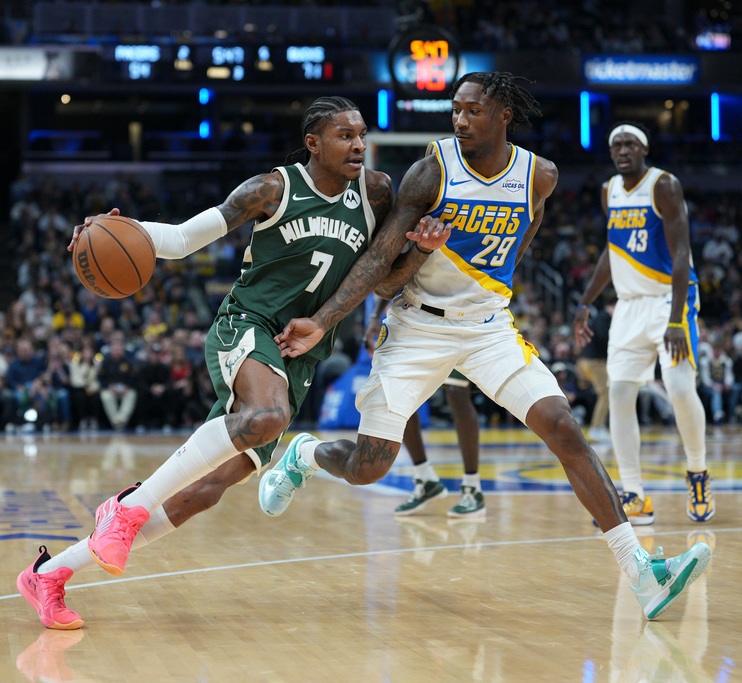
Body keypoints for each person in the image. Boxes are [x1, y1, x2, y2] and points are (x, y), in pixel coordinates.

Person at [268, 73, 710, 620]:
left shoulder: (538, 177)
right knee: (368, 467)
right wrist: (325, 316)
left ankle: (643, 574)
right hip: (417, 328)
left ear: (504, 116)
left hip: (486, 328)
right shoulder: (430, 172)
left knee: (563, 426)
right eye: (455, 110)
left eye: (472, 111)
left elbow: (520, 243)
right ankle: (305, 454)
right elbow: (382, 272)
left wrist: (485, 291)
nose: (459, 120)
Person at [16, 96, 445, 630]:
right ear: (313, 143)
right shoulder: (270, 189)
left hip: (303, 351)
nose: (359, 144)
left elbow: (380, 277)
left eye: (362, 134)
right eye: (344, 135)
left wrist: (421, 252)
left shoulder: (376, 191)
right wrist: (121, 229)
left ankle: (48, 575)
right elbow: (181, 239)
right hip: (247, 325)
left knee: (204, 490)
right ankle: (123, 509)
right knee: (267, 417)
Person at [573, 121, 714, 524]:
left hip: (671, 300)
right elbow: (613, 251)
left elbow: (683, 250)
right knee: (618, 393)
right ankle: (634, 493)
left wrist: (675, 320)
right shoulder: (608, 191)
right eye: (616, 144)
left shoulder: (663, 185)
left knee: (680, 388)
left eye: (629, 143)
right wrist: (586, 300)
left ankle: (698, 471)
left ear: (644, 148)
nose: (622, 149)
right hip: (630, 305)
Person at [365, 296, 484, 517]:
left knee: (457, 392)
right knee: (400, 393)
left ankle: (472, 486)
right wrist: (375, 315)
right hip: (417, 318)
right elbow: (390, 272)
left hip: (460, 314)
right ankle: (425, 478)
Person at [575, 297, 612, 443]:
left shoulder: (599, 318)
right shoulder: (604, 318)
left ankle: (599, 426)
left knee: (603, 393)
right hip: (594, 362)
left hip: (588, 361)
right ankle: (597, 428)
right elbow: (605, 338)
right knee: (606, 393)